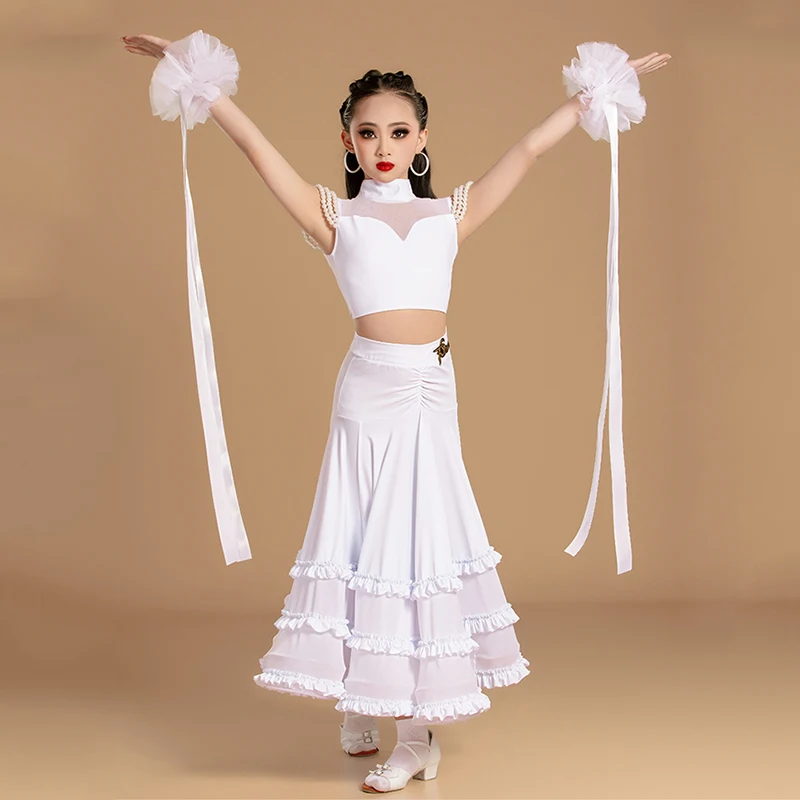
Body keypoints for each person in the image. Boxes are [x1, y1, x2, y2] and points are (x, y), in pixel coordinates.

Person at [121, 31, 670, 794]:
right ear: (347, 140)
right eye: (368, 132)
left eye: (399, 132)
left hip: (430, 391)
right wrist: (195, 77)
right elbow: (254, 149)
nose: (384, 145)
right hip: (364, 394)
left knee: (415, 548)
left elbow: (528, 153)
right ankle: (363, 694)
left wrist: (595, 94)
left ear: (421, 141)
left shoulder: (450, 214)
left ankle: (416, 737)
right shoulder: (333, 217)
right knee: (355, 541)